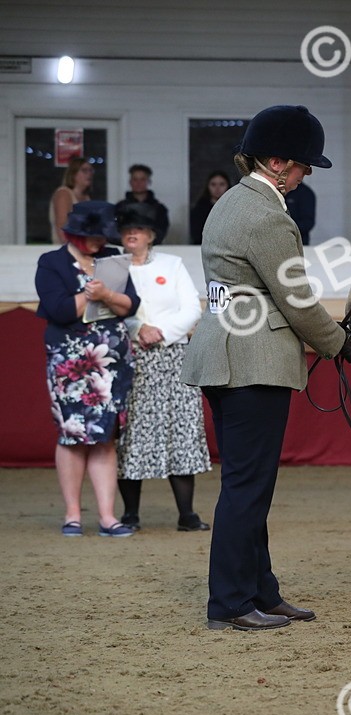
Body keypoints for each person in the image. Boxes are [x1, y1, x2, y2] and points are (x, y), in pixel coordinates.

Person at [181, 104, 351, 632]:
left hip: (227, 353)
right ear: (279, 162)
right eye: (305, 165)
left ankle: (261, 591)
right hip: (252, 361)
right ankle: (231, 604)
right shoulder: (267, 215)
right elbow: (297, 301)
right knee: (247, 487)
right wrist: (341, 344)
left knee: (251, 484)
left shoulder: (231, 203)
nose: (307, 174)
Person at [35, 201, 140, 537]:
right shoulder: (51, 262)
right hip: (70, 363)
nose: (99, 242)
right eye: (92, 237)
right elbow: (59, 309)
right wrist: (88, 292)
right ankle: (72, 515)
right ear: (75, 234)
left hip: (111, 363)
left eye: (102, 236)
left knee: (105, 437)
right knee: (72, 434)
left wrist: (106, 292)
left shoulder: (113, 257)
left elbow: (131, 304)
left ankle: (108, 517)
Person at [114, 203, 212, 533]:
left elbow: (192, 308)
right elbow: (107, 308)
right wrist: (137, 329)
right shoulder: (111, 267)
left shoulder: (172, 264)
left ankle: (187, 515)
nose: (132, 233)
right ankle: (130, 515)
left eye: (139, 229)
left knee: (181, 431)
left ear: (151, 235)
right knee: (132, 435)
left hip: (174, 358)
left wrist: (161, 332)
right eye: (127, 228)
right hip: (131, 359)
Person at [115, 164, 170, 245]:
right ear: (130, 182)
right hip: (125, 249)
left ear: (149, 182)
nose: (138, 183)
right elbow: (116, 230)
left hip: (152, 249)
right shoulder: (120, 207)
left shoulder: (159, 209)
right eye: (135, 179)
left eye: (142, 179)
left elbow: (161, 232)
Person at [49, 158, 94, 245]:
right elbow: (62, 228)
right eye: (84, 171)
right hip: (65, 250)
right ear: (73, 174)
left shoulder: (87, 197)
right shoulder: (64, 194)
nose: (89, 174)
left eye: (91, 170)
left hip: (84, 249)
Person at [189, 170, 231, 245]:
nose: (217, 188)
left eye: (222, 184)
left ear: (228, 186)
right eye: (213, 184)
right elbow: (196, 233)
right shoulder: (199, 209)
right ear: (208, 186)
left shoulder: (235, 208)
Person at [284, 180, 316, 245]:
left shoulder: (305, 193)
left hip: (298, 242)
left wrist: (285, 228)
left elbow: (307, 223)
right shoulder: (279, 190)